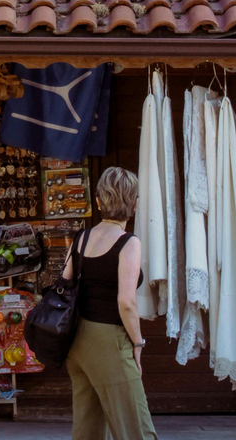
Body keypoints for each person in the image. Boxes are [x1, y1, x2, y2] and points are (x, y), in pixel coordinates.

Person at [61, 167, 158, 440]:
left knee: (88, 428)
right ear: (135, 204)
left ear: (99, 201)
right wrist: (138, 344)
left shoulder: (81, 238)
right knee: (135, 428)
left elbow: (64, 284)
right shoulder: (129, 243)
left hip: (77, 340)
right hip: (109, 342)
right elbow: (126, 302)